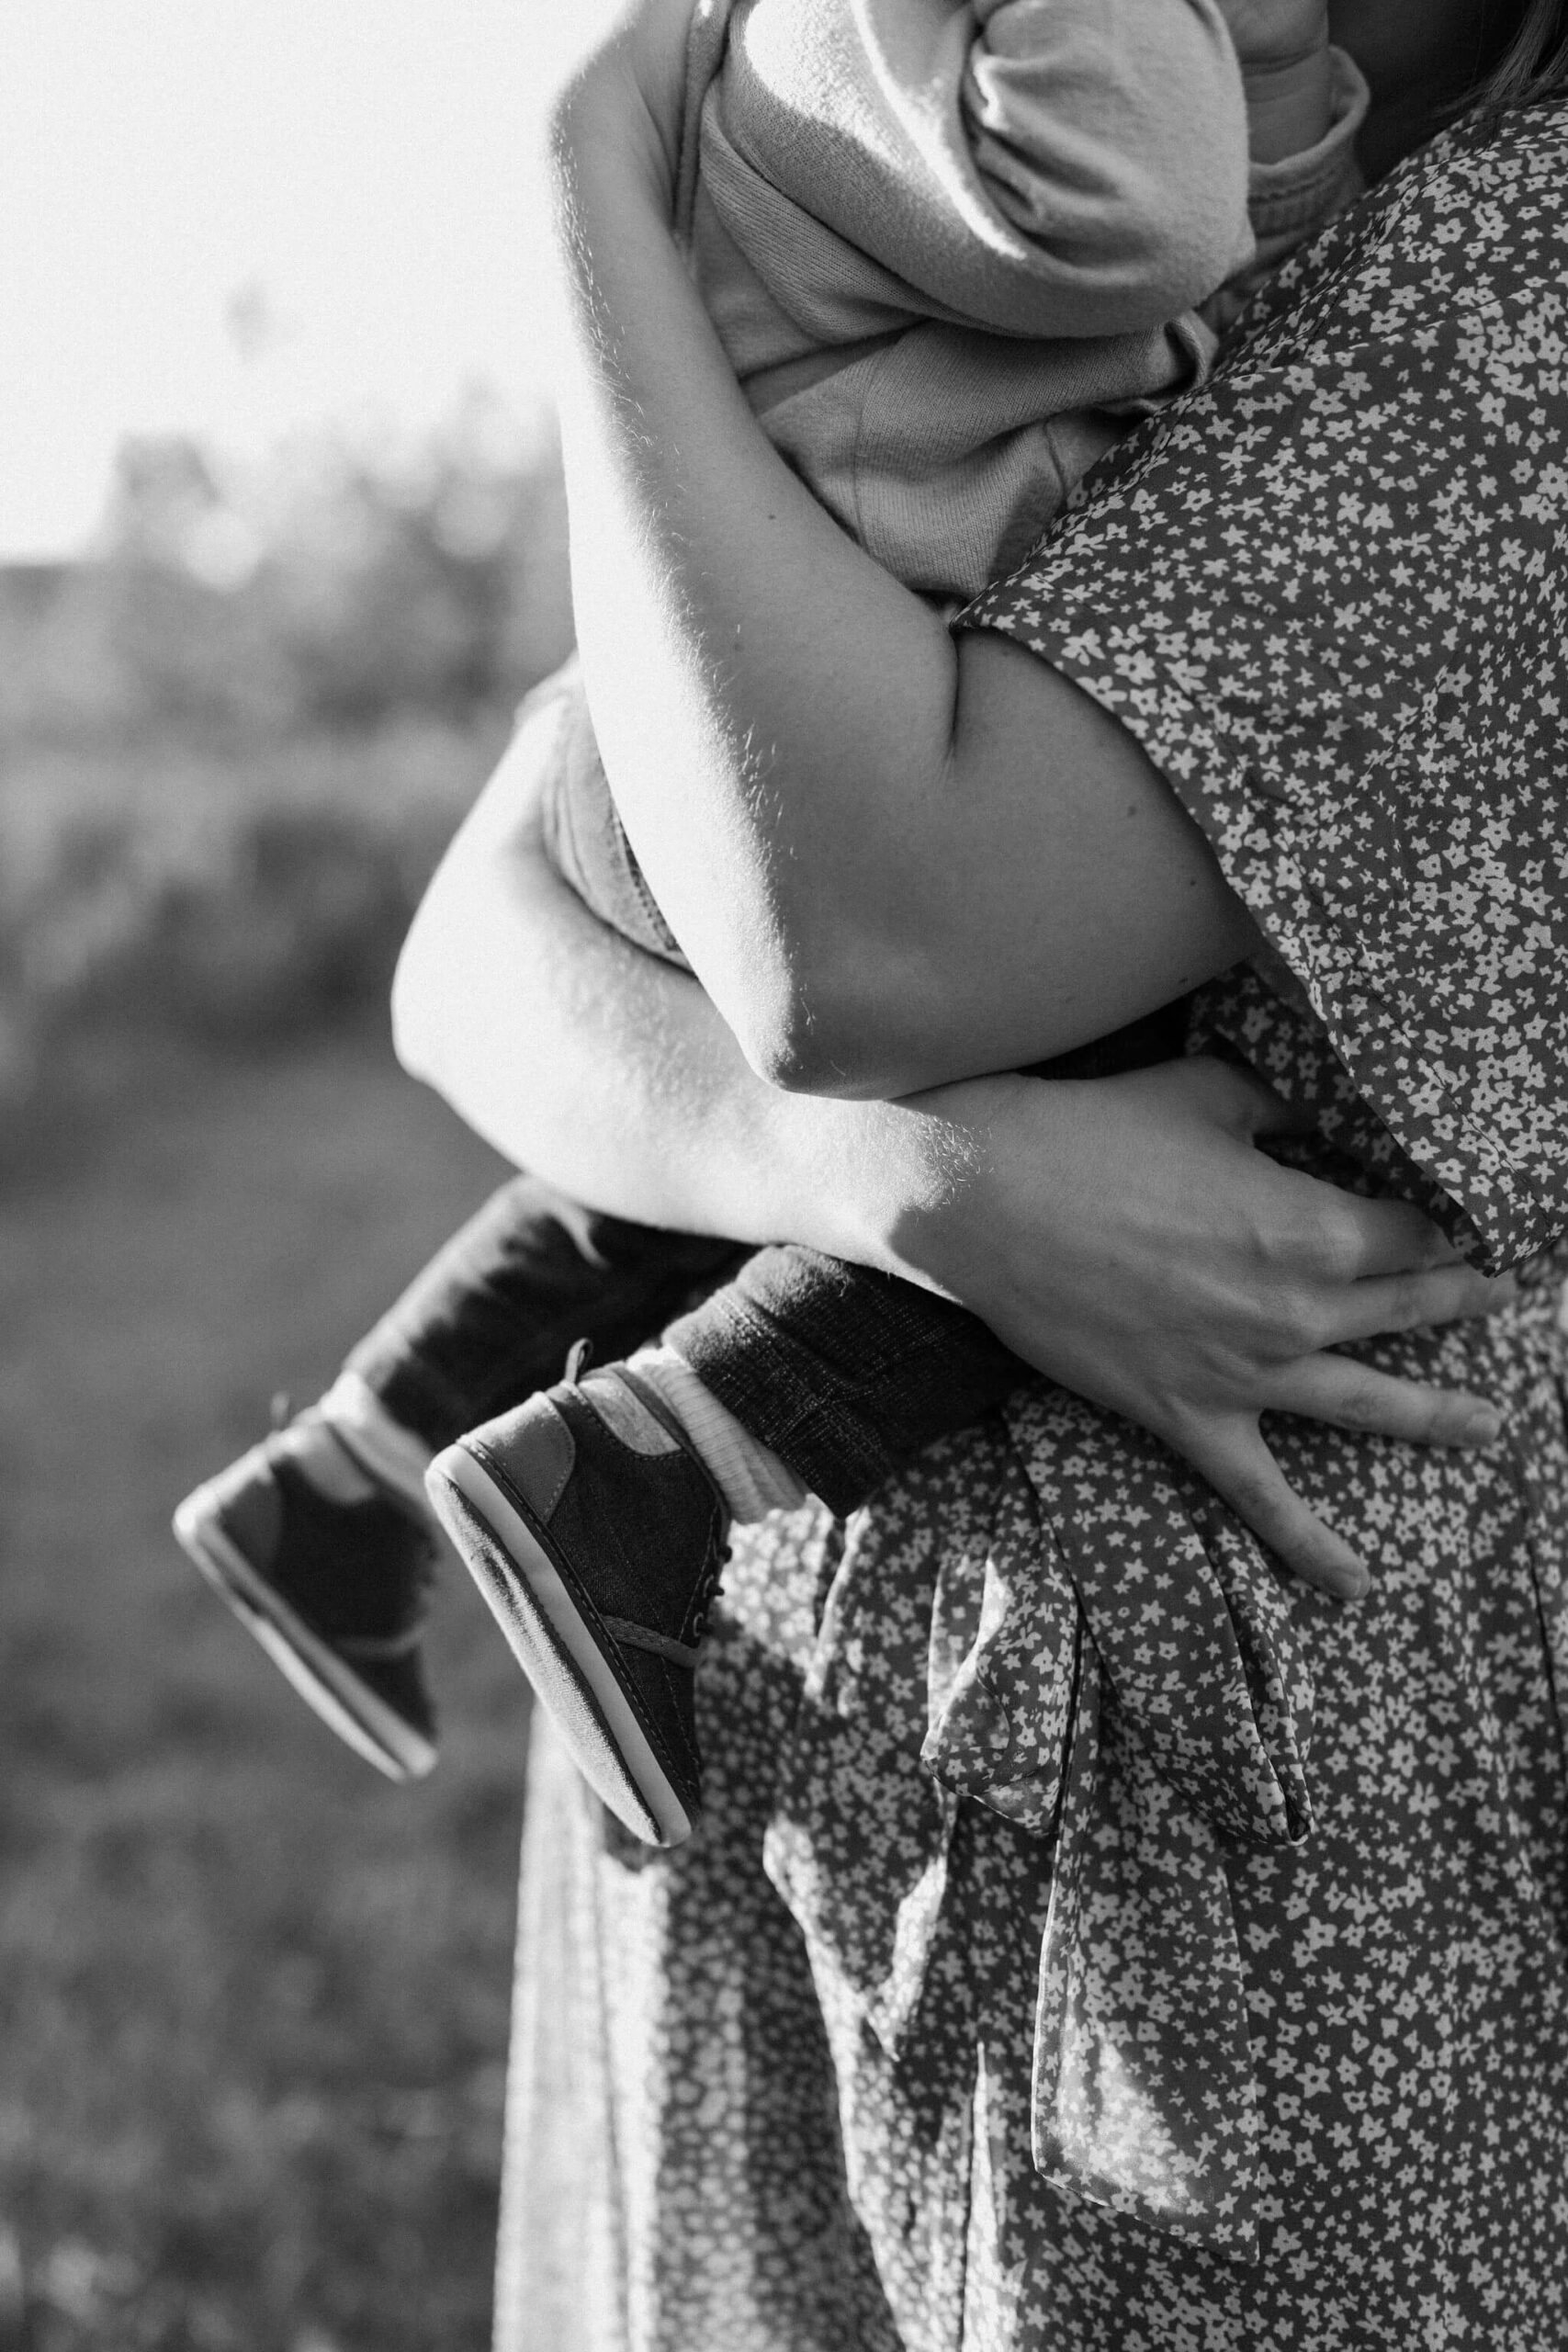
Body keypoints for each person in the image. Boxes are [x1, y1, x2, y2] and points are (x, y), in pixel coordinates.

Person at [389, 0, 1568, 2340]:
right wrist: (901, 1184)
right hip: (811, 1723)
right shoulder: (972, 169)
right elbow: (479, 942)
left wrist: (593, 180)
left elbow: (858, 932)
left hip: (1255, 1850)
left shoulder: (1499, 263)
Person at [173, 0, 1381, 1826]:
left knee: (672, 1156)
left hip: (707, 726)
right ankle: (661, 1473)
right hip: (805, 754)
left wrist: (1271, 50)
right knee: (1094, 1100)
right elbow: (1142, 228)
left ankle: (353, 1466)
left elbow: (1241, 221)